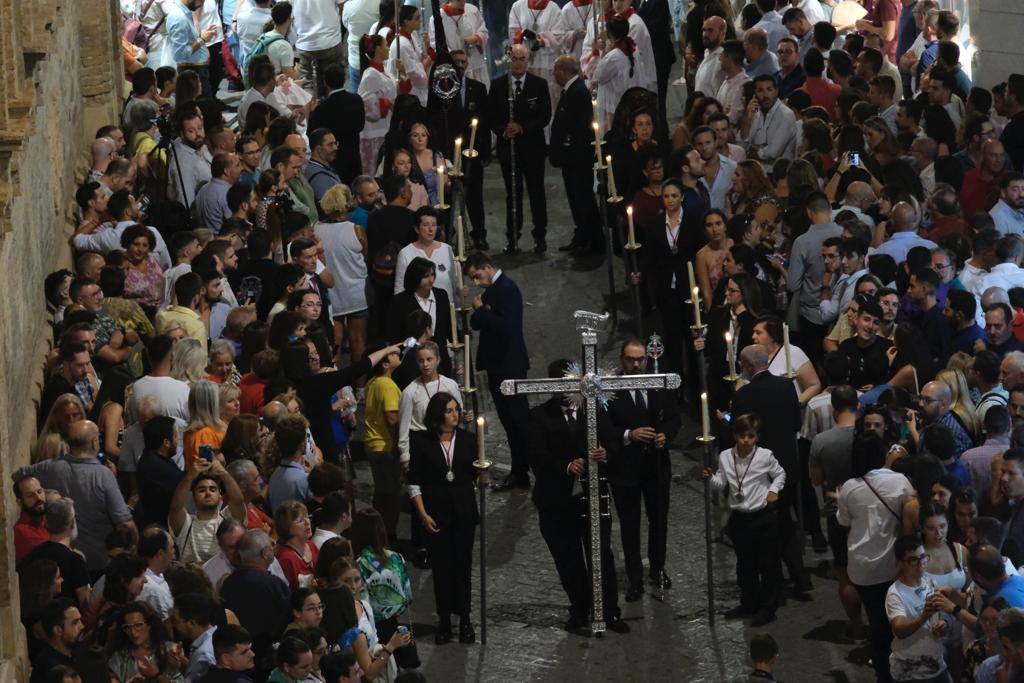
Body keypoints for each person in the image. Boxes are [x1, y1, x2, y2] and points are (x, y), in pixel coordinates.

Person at [526, 358, 628, 634]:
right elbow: (536, 455)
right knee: (568, 558)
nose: (569, 390)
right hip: (558, 500)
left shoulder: (592, 409)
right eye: (563, 385)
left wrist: (607, 453)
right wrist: (566, 466)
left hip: (593, 496)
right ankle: (580, 610)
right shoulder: (539, 416)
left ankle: (609, 610)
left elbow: (613, 440)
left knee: (602, 555)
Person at [731, 343, 812, 597]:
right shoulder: (786, 386)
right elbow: (796, 422)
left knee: (766, 531)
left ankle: (773, 583)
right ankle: (800, 578)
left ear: (746, 366)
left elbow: (740, 433)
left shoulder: (744, 395)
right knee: (786, 523)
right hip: (787, 466)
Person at [606, 339, 681, 601]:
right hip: (625, 468)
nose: (636, 364)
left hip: (656, 466)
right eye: (630, 359)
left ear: (646, 360)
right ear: (622, 360)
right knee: (629, 524)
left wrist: (664, 436)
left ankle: (658, 568)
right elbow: (603, 427)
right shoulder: (611, 388)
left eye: (640, 360)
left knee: (658, 520)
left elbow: (673, 418)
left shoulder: (657, 384)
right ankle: (634, 577)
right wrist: (629, 434)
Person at [837, 433, 916, 683]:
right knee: (897, 617)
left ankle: (884, 672)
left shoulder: (850, 487)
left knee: (877, 621)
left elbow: (844, 521)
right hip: (892, 565)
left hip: (863, 568)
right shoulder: (901, 481)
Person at [407, 393, 481, 644]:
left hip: (463, 514)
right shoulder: (422, 442)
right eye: (449, 411)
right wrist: (423, 514)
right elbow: (414, 482)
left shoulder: (470, 440)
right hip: (436, 514)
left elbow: (478, 477)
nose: (455, 415)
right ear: (438, 415)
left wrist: (484, 474)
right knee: (441, 569)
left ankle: (466, 618)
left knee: (462, 567)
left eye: (456, 410)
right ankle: (445, 620)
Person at [705, 413, 785, 626]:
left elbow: (780, 474)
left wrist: (774, 490)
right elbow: (721, 484)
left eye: (750, 436)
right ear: (735, 436)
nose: (746, 441)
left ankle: (768, 608)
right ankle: (749, 602)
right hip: (739, 518)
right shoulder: (725, 457)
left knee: (767, 565)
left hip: (762, 517)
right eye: (742, 436)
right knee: (745, 565)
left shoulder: (765, 456)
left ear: (756, 437)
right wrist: (709, 479)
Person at [465, 252, 531, 491]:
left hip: (509, 365)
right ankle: (519, 471)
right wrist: (481, 311)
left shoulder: (507, 289)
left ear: (488, 267)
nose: (476, 282)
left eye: (477, 275)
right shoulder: (493, 289)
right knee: (509, 421)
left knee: (518, 420)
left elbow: (506, 327)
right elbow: (476, 323)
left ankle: (526, 468)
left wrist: (482, 310)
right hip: (497, 365)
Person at [488, 44, 551, 254]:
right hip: (509, 150)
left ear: (528, 60)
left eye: (522, 58)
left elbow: (545, 116)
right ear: (509, 60)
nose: (518, 62)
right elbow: (492, 116)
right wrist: (504, 131)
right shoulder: (498, 85)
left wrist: (522, 128)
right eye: (514, 58)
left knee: (536, 193)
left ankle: (539, 236)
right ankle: (512, 237)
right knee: (512, 195)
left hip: (533, 149)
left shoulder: (539, 84)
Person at [550, 55, 601, 255]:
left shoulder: (577, 92)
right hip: (572, 158)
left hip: (578, 158)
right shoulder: (572, 90)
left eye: (556, 71)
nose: (554, 75)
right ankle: (582, 235)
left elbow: (578, 127)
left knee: (583, 199)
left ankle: (592, 240)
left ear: (563, 71)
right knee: (576, 198)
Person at [884, 534, 950, 682]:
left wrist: (944, 624)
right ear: (901, 563)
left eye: (923, 557)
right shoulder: (895, 593)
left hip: (936, 665)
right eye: (913, 560)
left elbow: (943, 613)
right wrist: (923, 617)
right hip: (910, 672)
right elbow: (899, 630)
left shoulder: (929, 582)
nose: (921, 563)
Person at [169, 459, 247, 566]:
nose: (208, 493)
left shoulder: (228, 519)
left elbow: (238, 501)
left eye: (213, 489)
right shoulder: (186, 523)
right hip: (194, 579)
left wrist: (223, 473)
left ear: (220, 496)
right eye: (201, 490)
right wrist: (190, 476)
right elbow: (175, 508)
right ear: (194, 497)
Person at [107, 601, 187, 683]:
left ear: (150, 625)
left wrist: (157, 675)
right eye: (127, 627)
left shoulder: (170, 651)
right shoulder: (121, 656)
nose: (133, 632)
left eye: (138, 625)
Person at [30, 599, 85, 683]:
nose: (82, 626)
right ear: (58, 630)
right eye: (75, 623)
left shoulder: (73, 651)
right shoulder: (50, 670)